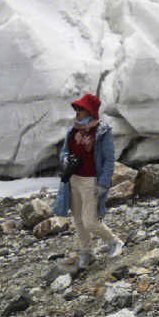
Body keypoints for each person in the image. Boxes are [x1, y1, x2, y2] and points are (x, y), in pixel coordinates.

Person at [52, 93, 122, 268]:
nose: (77, 112)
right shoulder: (73, 130)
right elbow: (64, 152)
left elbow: (108, 160)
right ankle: (87, 252)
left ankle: (114, 242)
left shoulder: (102, 132)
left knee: (90, 221)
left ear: (90, 111)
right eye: (76, 108)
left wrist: (103, 183)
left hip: (91, 182)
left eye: (81, 109)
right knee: (78, 219)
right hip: (73, 180)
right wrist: (66, 159)